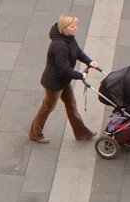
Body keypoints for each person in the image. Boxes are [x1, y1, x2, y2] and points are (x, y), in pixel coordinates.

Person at [29, 15, 98, 144]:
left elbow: (77, 51)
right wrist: (80, 75)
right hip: (54, 83)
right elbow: (64, 69)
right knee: (47, 107)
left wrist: (89, 62)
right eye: (72, 27)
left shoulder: (68, 38)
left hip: (63, 80)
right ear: (64, 28)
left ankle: (81, 132)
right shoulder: (59, 46)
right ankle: (35, 133)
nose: (75, 28)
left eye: (75, 26)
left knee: (71, 105)